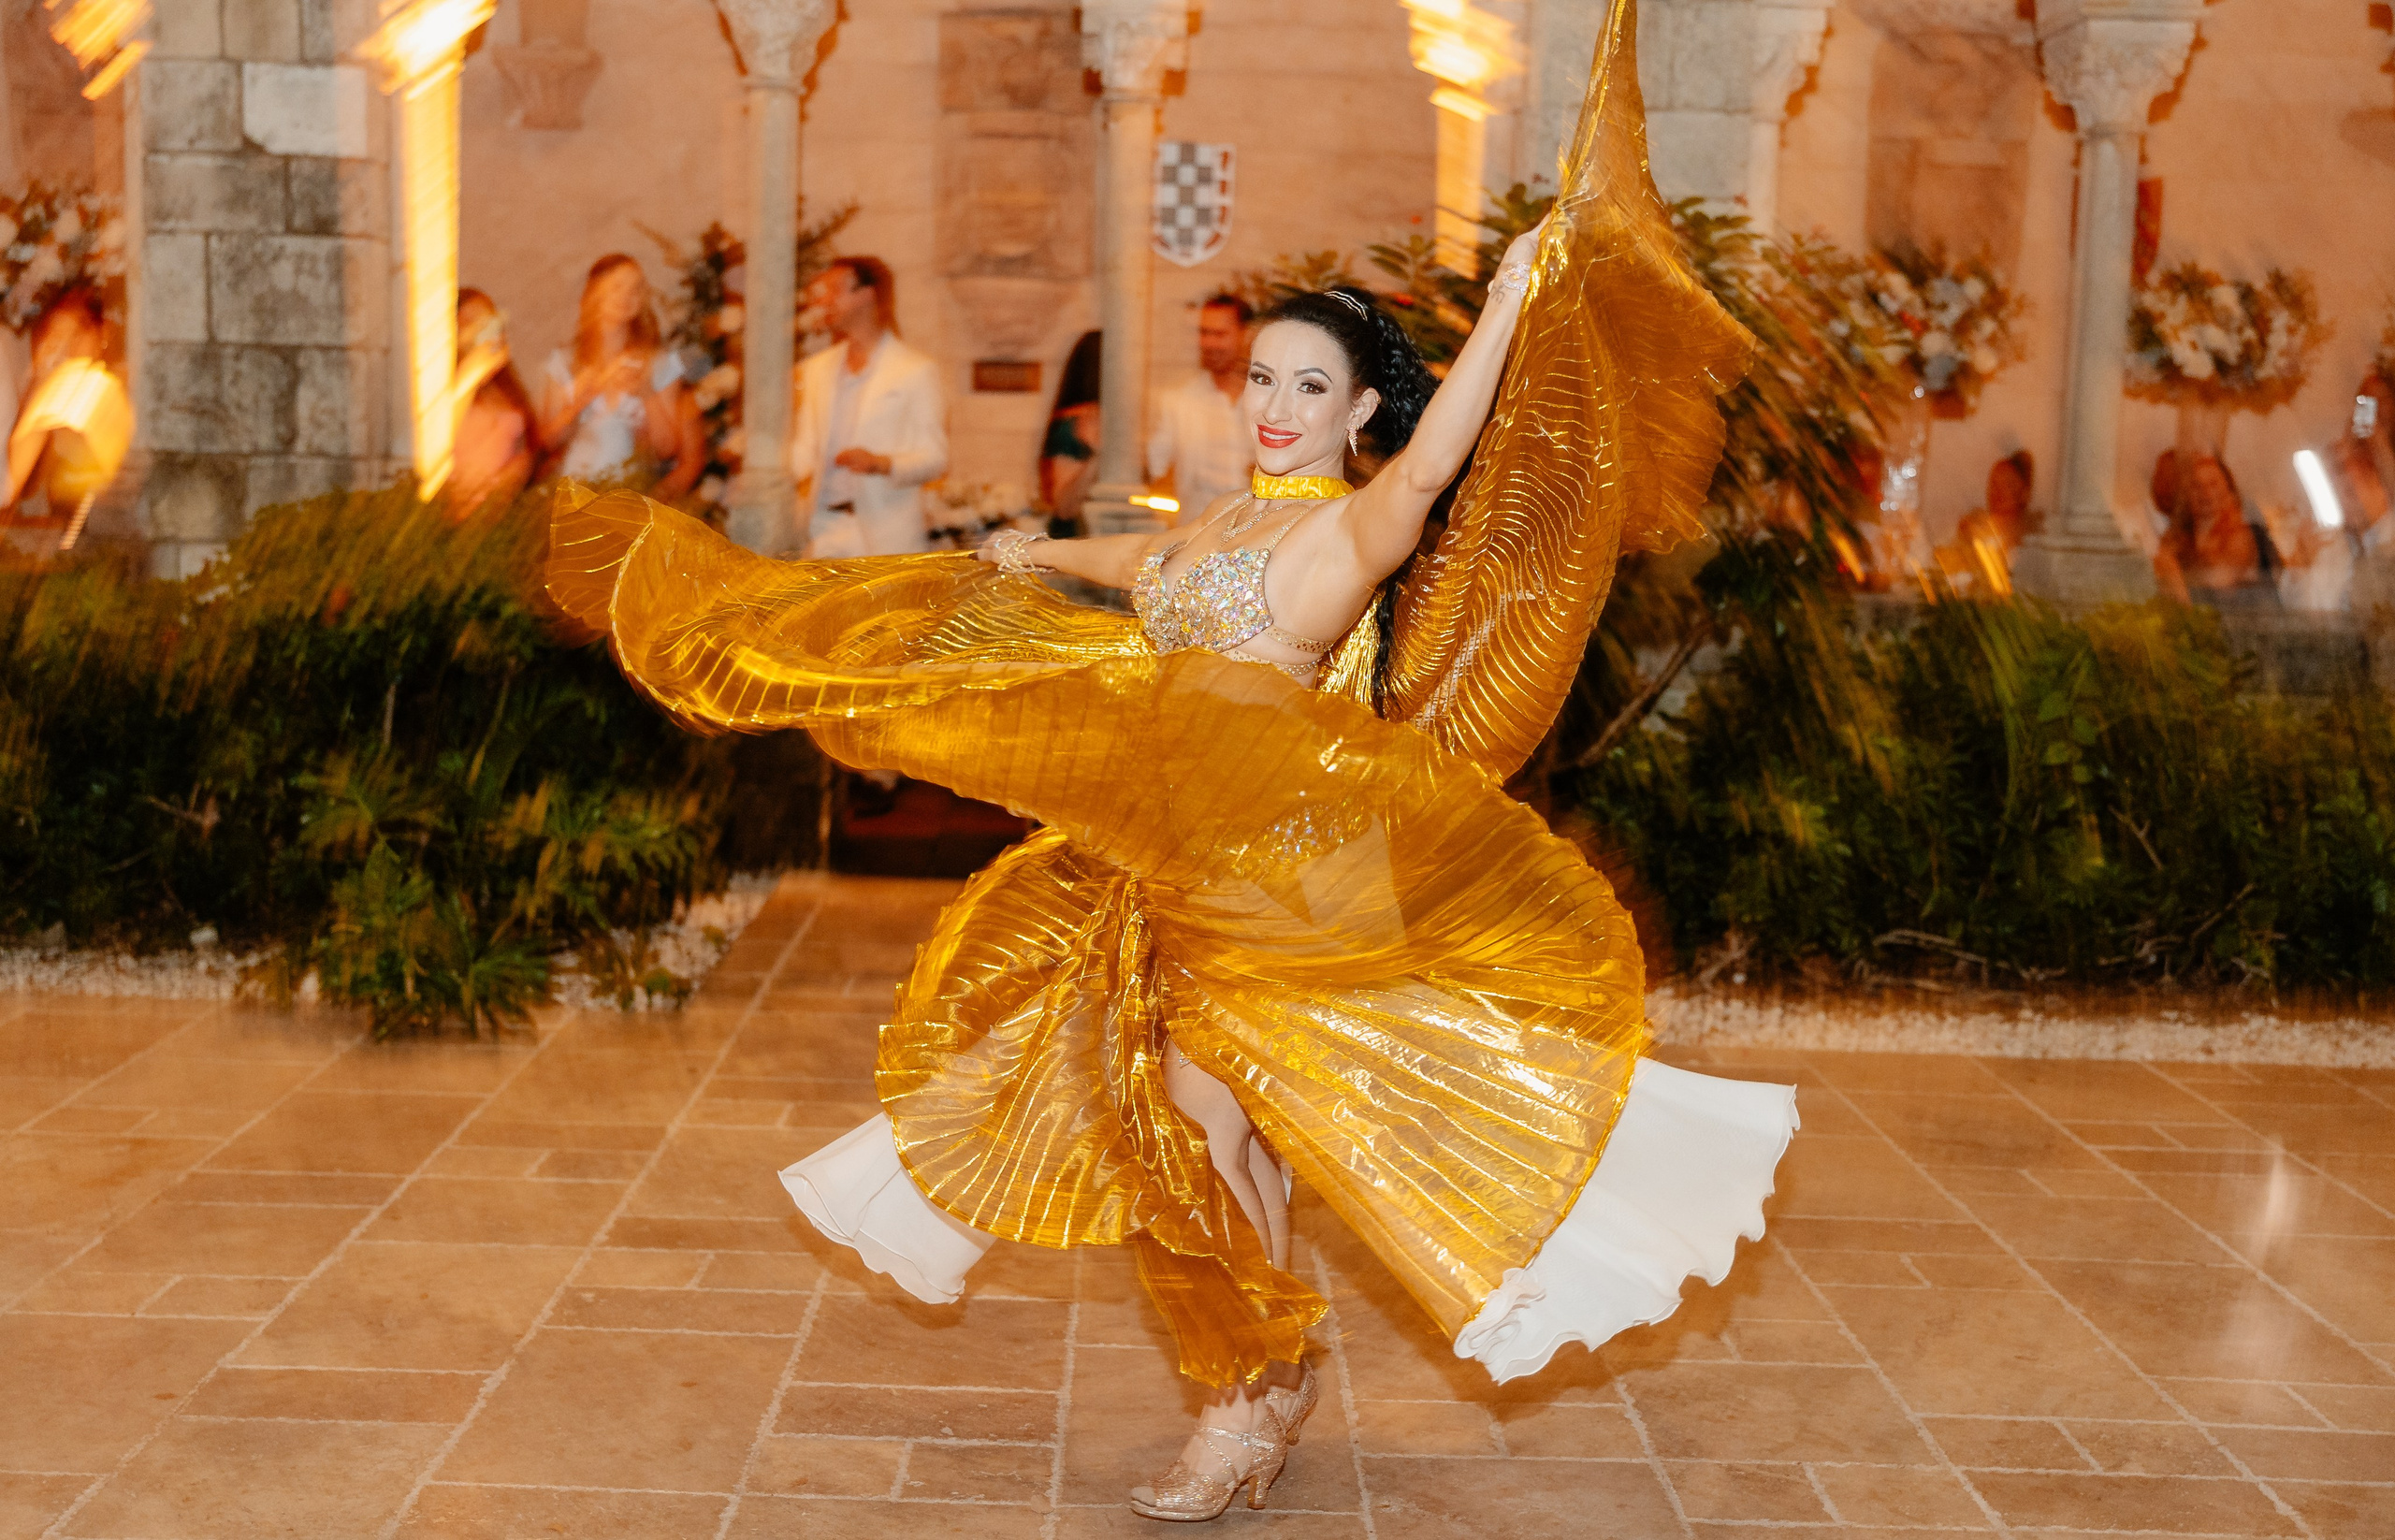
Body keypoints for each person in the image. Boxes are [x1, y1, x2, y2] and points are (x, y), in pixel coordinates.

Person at [547, 4, 1790, 1521]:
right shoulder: (1225, 521)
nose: (1269, 403)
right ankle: (1262, 1371)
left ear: (1357, 412)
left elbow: (1436, 472)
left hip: (1281, 870)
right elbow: (1142, 551)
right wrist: (1039, 543)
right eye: (1260, 377)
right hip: (1186, 859)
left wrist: (1519, 301)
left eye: (1303, 388)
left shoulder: (1347, 533)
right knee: (1197, 1118)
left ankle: (1249, 1389)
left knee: (1198, 1115)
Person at [789, 256, 948, 558]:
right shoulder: (816, 370)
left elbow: (936, 458)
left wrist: (882, 463)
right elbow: (805, 450)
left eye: (836, 289)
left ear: (867, 294)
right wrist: (766, 468)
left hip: (885, 534)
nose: (825, 301)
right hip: (823, 528)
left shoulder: (915, 370)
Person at [538, 254, 703, 501]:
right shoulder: (564, 362)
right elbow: (547, 441)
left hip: (628, 494)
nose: (626, 296)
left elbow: (667, 449)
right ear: (594, 293)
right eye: (616, 287)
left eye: (635, 288)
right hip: (572, 493)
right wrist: (578, 403)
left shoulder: (660, 364)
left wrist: (646, 392)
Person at [3, 287, 132, 560]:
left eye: (76, 335)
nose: (66, 349)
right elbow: (18, 483)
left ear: (101, 336)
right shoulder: (56, 394)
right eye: (56, 337)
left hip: (104, 546)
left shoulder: (100, 389)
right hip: (66, 546)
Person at [1146, 294, 1255, 526]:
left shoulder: (1267, 400)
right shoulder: (1180, 401)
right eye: (1204, 333)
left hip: (1261, 531)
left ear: (1245, 336)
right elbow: (1153, 468)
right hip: (1198, 533)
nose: (1209, 343)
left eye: (1220, 334)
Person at [447, 289, 541, 515]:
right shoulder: (450, 386)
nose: (481, 330)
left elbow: (528, 445)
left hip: (502, 508)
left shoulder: (505, 386)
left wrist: (515, 473)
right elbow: (439, 437)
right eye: (469, 322)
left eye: (487, 321)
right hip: (459, 509)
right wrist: (469, 377)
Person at [1039, 330, 1102, 537]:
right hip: (1075, 538)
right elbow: (1064, 507)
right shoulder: (1071, 425)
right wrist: (1098, 457)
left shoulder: (1119, 422)